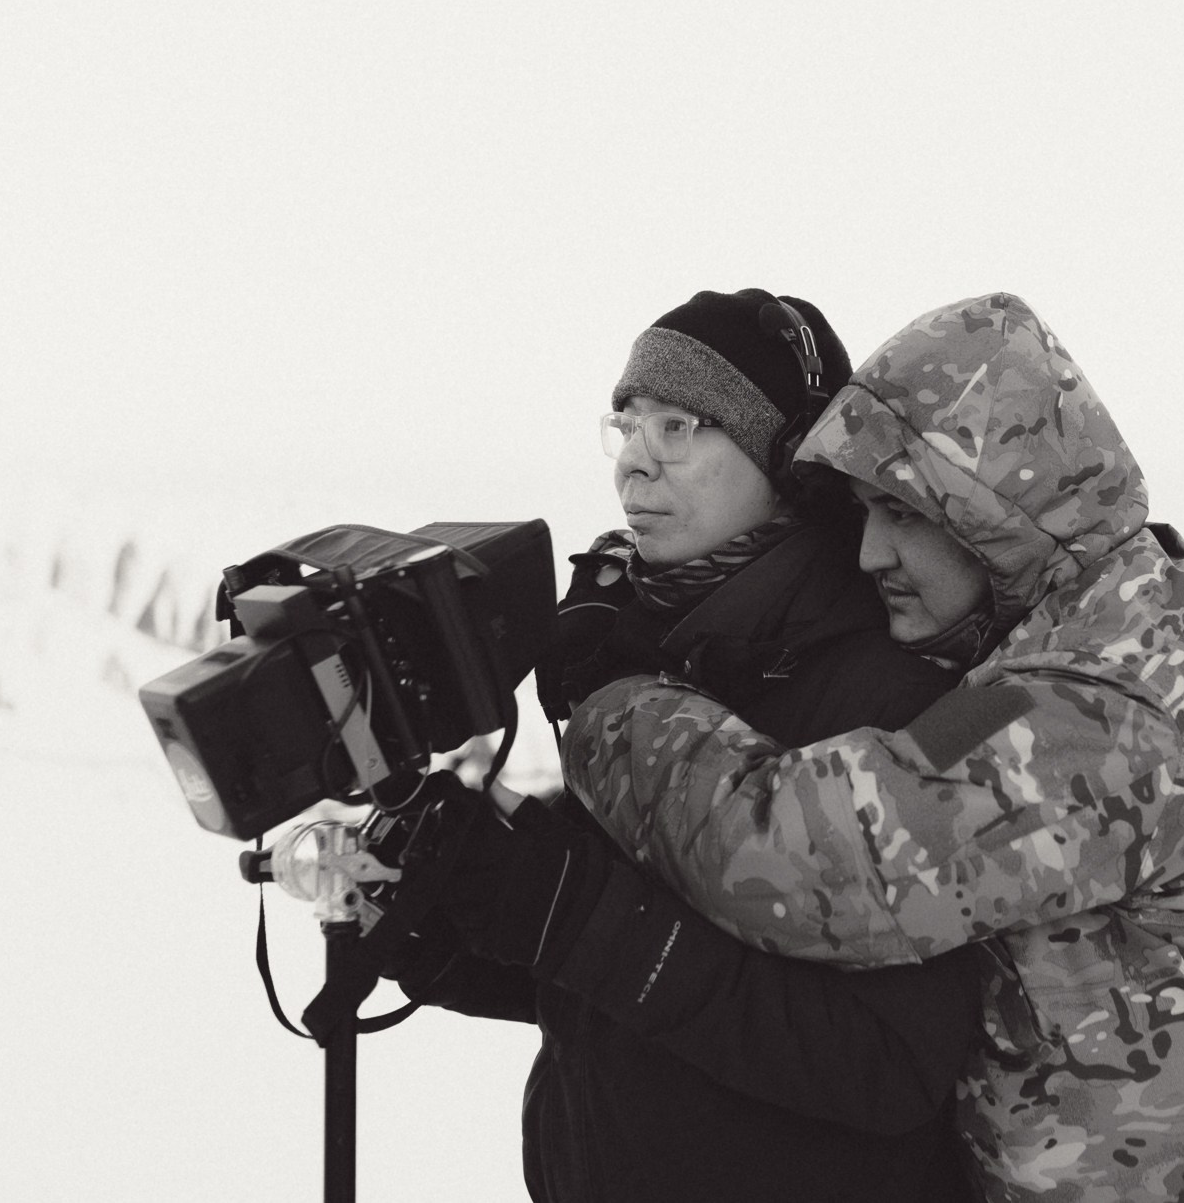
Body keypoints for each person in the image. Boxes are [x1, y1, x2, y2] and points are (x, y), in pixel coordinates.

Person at [561, 293, 1184, 1202]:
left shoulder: (1106, 701)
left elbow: (801, 859)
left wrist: (612, 698)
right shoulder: (1101, 621)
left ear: (999, 509)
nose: (871, 552)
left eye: (906, 513)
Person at [386, 289, 983, 1203]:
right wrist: (463, 921)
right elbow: (641, 994)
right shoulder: (638, 665)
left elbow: (886, 1063)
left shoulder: (888, 701)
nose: (634, 465)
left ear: (790, 465)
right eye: (626, 425)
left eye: (679, 426)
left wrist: (572, 916)